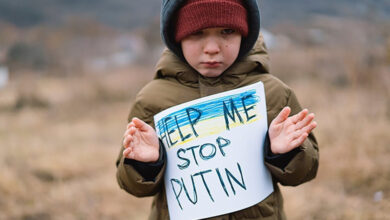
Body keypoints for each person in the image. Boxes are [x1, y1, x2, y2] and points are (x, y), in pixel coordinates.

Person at [116, 0, 319, 219]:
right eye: (197, 32)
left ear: (245, 33)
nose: (212, 48)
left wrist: (285, 154)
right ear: (177, 36)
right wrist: (145, 164)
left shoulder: (273, 94)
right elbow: (132, 184)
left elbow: (305, 171)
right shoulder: (151, 100)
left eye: (227, 31)